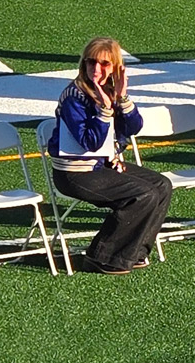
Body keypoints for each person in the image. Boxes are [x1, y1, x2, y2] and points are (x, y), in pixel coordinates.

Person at [49, 38, 173, 274]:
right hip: (75, 172)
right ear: (83, 64)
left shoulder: (110, 90)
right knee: (143, 195)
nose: (96, 69)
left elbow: (134, 127)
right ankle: (101, 256)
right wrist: (105, 110)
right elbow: (90, 143)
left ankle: (134, 252)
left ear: (116, 67)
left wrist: (122, 97)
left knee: (162, 185)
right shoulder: (74, 97)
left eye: (104, 64)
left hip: (101, 166)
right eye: (91, 62)